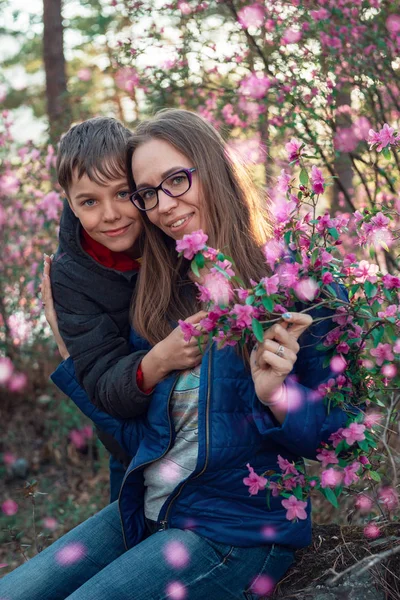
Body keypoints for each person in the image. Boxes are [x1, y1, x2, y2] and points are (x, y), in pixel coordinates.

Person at [1, 109, 351, 599]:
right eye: (148, 192)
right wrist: (70, 359)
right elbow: (135, 440)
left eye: (177, 180)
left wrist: (278, 396)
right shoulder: (163, 293)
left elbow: (339, 437)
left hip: (234, 531)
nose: (163, 205)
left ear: (213, 168)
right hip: (147, 508)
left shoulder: (293, 279)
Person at [47, 117, 205, 500]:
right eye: (89, 202)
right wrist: (159, 359)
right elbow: (101, 382)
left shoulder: (169, 235)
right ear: (69, 202)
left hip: (196, 437)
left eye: (122, 194)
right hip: (130, 447)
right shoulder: (71, 277)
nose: (111, 215)